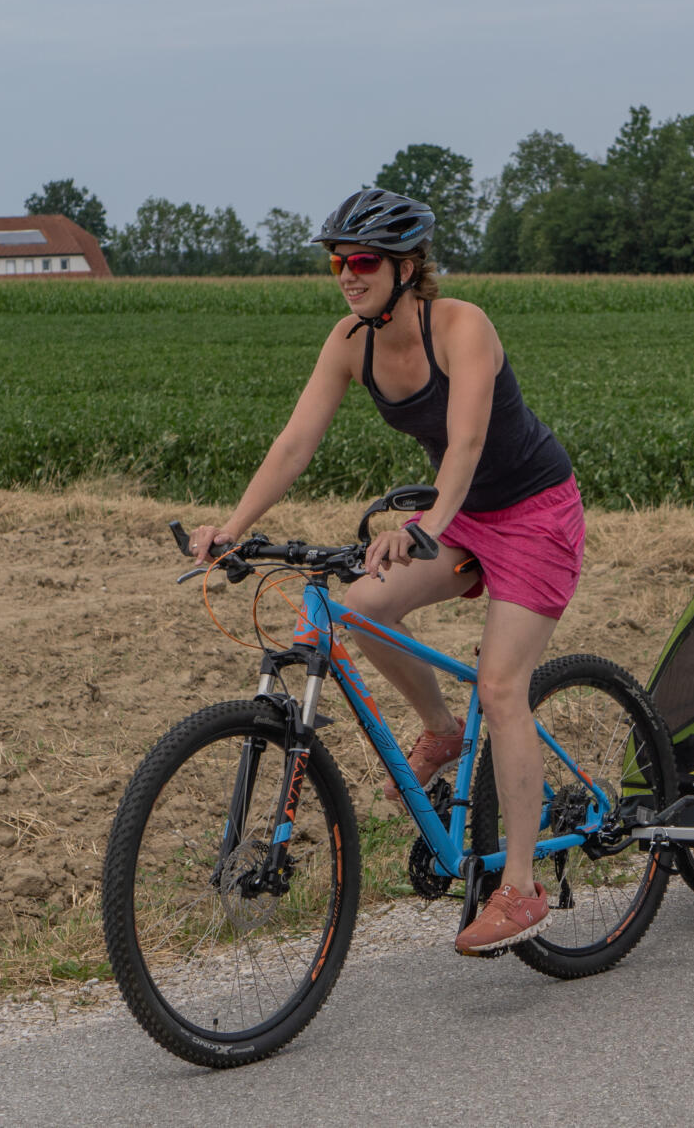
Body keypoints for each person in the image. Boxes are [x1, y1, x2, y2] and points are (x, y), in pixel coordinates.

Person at [187, 188, 585, 955]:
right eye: (337, 261)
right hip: (460, 514)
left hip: (533, 512)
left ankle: (522, 888)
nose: (346, 274)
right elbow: (296, 442)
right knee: (359, 608)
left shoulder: (463, 327)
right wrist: (233, 529)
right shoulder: (349, 342)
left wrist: (425, 526)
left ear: (408, 267)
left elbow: (466, 445)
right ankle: (439, 729)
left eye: (362, 261)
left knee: (502, 687)